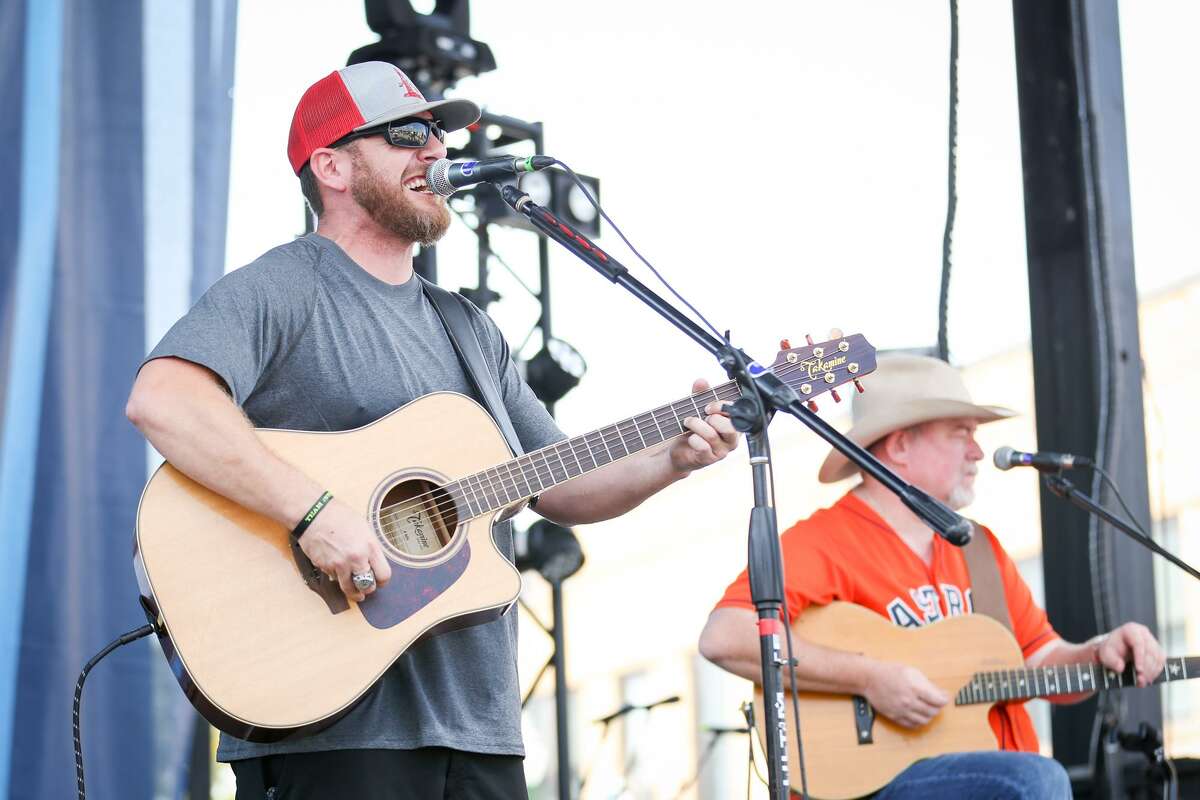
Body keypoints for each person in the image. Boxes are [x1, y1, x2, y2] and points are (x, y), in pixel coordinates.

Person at [126, 61, 739, 800]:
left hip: (480, 726)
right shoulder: (286, 286)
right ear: (333, 166)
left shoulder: (468, 329)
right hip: (330, 725)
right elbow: (163, 399)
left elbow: (560, 482)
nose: (436, 153)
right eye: (407, 135)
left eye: (442, 136)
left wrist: (671, 459)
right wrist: (315, 512)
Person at [698, 354, 1165, 799]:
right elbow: (726, 636)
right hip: (873, 785)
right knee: (1035, 780)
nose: (979, 450)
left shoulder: (979, 548)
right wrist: (869, 678)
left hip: (996, 774)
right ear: (900, 444)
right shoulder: (822, 541)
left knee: (1031, 779)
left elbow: (1038, 661)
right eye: (961, 433)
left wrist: (1098, 652)